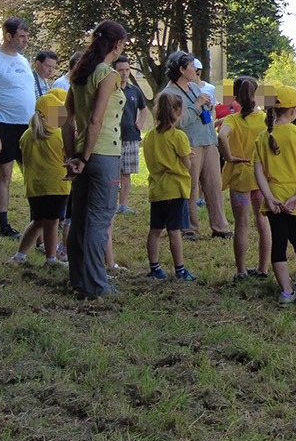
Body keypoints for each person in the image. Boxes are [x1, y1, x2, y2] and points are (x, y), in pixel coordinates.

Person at [58, 21, 128, 299]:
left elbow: (66, 119)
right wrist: (84, 158)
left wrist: (71, 156)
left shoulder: (79, 72)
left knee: (79, 220)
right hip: (103, 154)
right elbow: (96, 120)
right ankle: (96, 285)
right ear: (117, 44)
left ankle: (79, 280)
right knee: (99, 221)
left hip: (81, 154)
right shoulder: (107, 74)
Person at [254, 89, 296, 304]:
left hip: (274, 194)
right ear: (294, 110)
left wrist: (269, 197)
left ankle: (286, 292)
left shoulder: (263, 137)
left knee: (279, 241)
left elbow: (258, 172)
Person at [159, 53, 229, 240]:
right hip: (189, 146)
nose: (196, 70)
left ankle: (221, 227)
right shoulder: (169, 94)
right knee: (189, 188)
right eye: (192, 66)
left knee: (214, 186)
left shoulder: (194, 87)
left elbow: (206, 114)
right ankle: (189, 228)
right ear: (181, 70)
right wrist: (197, 105)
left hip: (208, 142)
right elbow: (178, 122)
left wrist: (208, 106)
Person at [0, 16, 36, 236]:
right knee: (4, 175)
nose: (25, 40)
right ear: (8, 36)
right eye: (21, 36)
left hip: (27, 126)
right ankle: (4, 225)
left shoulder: (23, 61)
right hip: (3, 125)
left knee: (33, 174)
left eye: (27, 36)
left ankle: (37, 221)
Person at [11, 89, 70, 267]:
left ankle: (19, 255)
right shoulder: (59, 135)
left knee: (37, 221)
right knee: (52, 222)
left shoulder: (26, 136)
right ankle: (51, 259)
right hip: (56, 186)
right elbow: (68, 157)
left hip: (34, 187)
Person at [218, 77, 268, 279]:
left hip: (240, 176)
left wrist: (229, 157)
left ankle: (241, 271)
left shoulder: (232, 119)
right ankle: (263, 269)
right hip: (261, 177)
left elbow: (221, 136)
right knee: (262, 222)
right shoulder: (265, 118)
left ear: (236, 96)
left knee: (241, 224)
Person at [144, 91, 196, 282]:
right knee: (174, 231)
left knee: (155, 230)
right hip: (175, 189)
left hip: (157, 189)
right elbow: (186, 165)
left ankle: (154, 268)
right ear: (178, 111)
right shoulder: (179, 136)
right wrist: (188, 157)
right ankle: (180, 270)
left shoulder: (149, 137)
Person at [113, 55, 146, 215]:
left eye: (127, 70)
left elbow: (143, 108)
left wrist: (141, 122)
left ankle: (123, 205)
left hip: (131, 136)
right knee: (112, 173)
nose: (124, 73)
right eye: (121, 70)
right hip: (113, 137)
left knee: (126, 173)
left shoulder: (135, 90)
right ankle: (111, 204)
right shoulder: (110, 90)